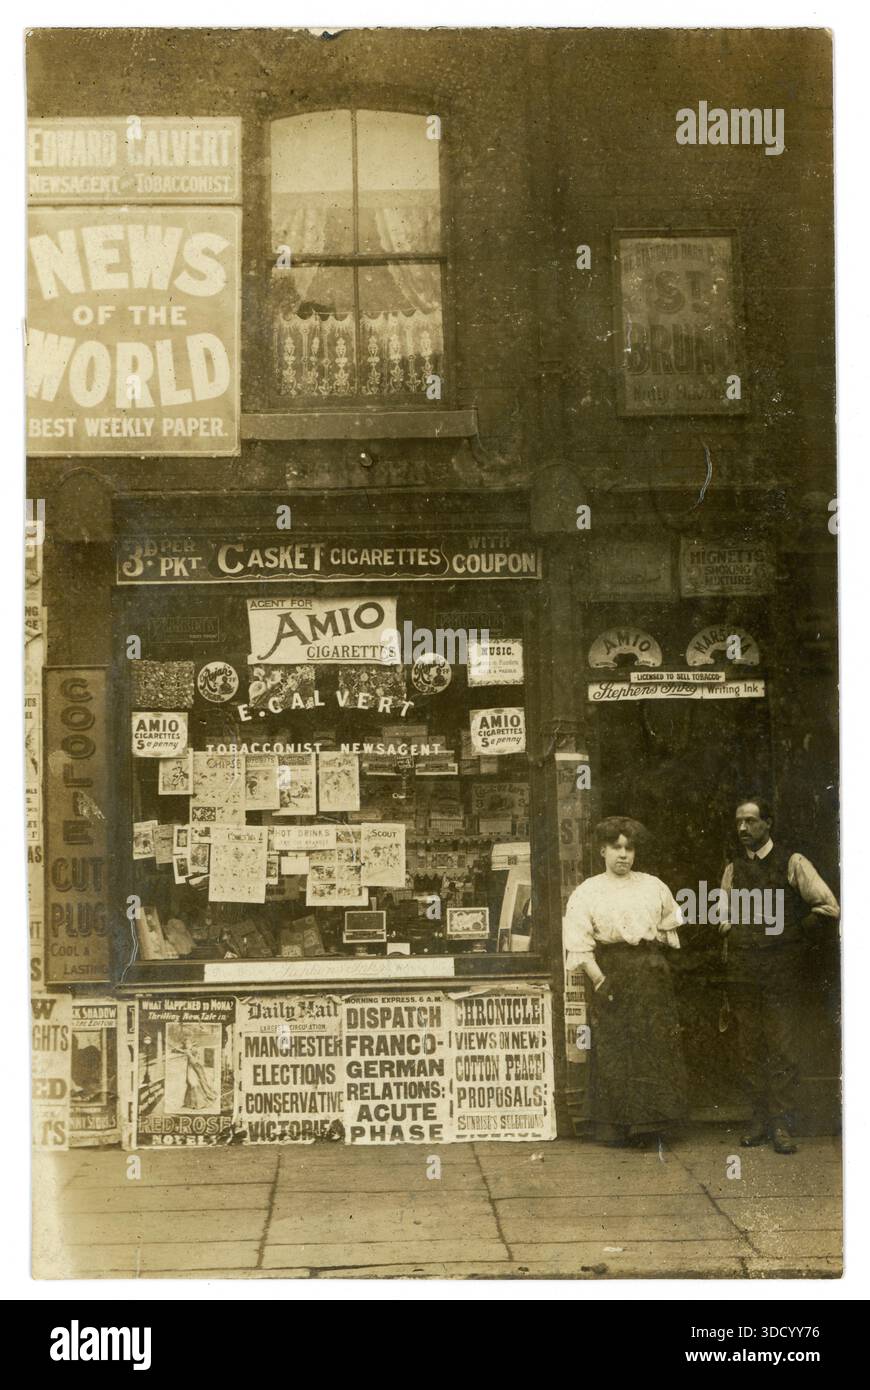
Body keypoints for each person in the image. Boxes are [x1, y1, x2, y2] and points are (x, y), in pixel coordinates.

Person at [719, 796, 839, 1155]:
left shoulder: (793, 862)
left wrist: (791, 932)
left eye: (752, 821)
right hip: (744, 971)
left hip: (781, 971)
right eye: (739, 821)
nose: (743, 828)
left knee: (782, 1045)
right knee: (748, 1046)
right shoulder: (732, 870)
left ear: (768, 823)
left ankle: (782, 1124)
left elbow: (829, 907)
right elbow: (724, 920)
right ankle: (758, 1121)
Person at [563, 816, 688, 1147]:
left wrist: (654, 957)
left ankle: (654, 1124)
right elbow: (579, 942)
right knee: (615, 1046)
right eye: (616, 847)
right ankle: (617, 1126)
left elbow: (670, 923)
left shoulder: (652, 885)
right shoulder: (588, 891)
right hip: (613, 972)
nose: (623, 855)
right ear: (602, 850)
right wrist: (600, 980)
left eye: (629, 848)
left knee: (654, 1043)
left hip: (649, 971)